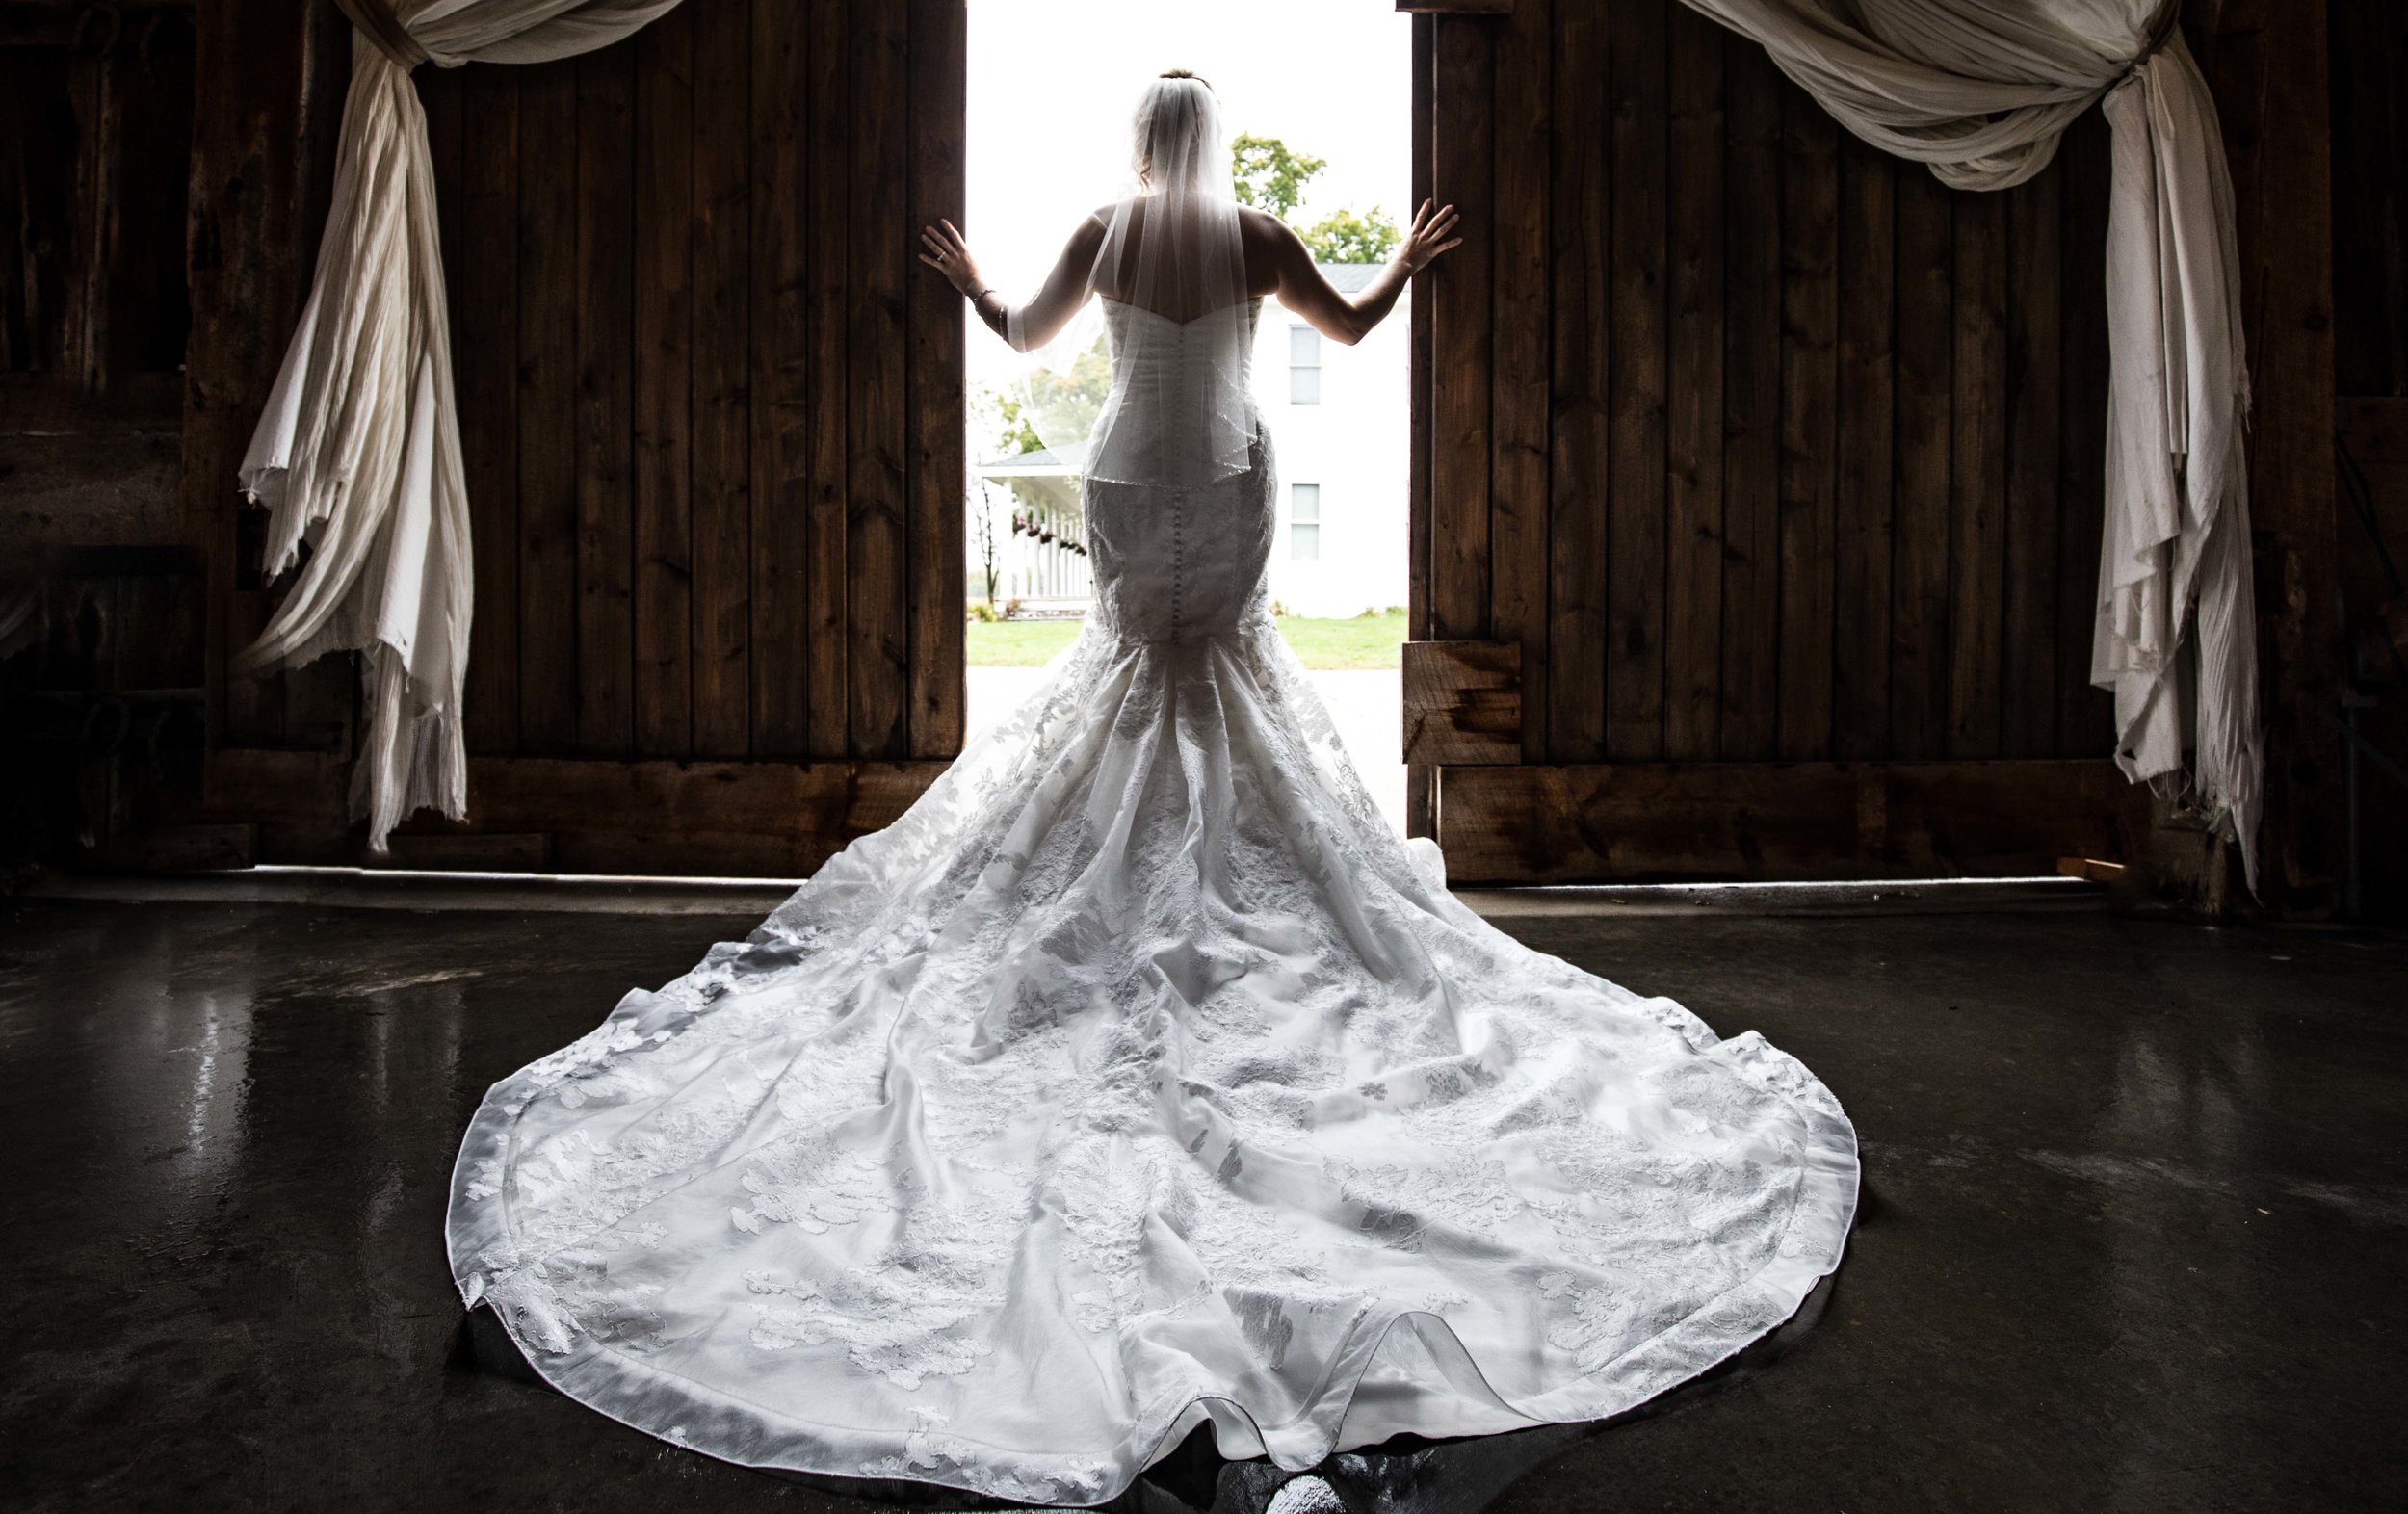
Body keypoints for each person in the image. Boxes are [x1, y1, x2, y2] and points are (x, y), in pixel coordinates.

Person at [446, 72, 1857, 1508]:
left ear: (1141, 148)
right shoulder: (1254, 237)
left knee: (1134, 674)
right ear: (1218, 144)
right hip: (1227, 469)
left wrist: (971, 280)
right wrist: (1409, 264)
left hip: (1130, 470)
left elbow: (1020, 334)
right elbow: (1357, 329)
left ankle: (1111, 879)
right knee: (1216, 677)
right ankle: (1217, 876)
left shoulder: (1107, 236)